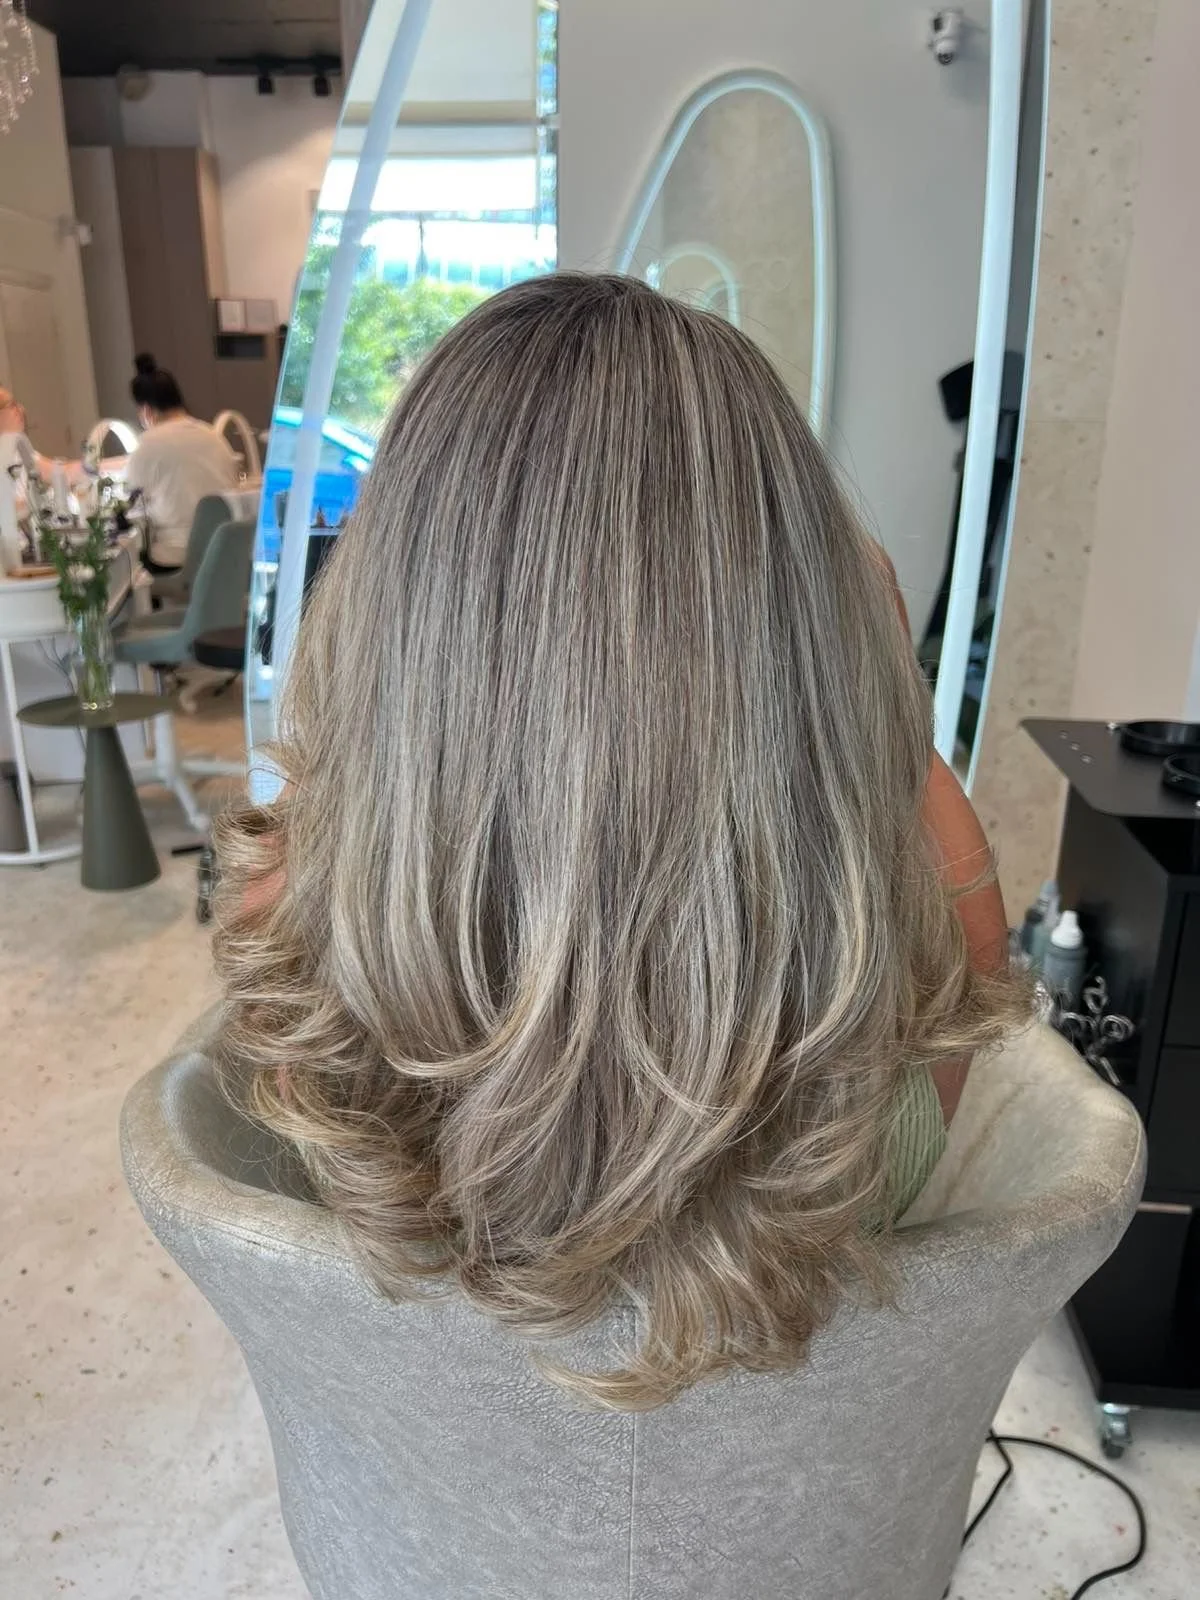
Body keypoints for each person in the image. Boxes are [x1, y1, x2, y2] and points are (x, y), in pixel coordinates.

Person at [215, 273, 1025, 1410]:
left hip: (435, 1484)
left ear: (392, 610)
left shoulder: (287, 929)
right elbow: (900, 783)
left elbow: (338, 806)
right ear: (808, 622)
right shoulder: (911, 996)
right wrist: (873, 654)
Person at [124, 354, 240, 573]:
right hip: (223, 550)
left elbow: (128, 499)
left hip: (176, 556)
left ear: (146, 411)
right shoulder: (213, 437)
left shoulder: (148, 445)